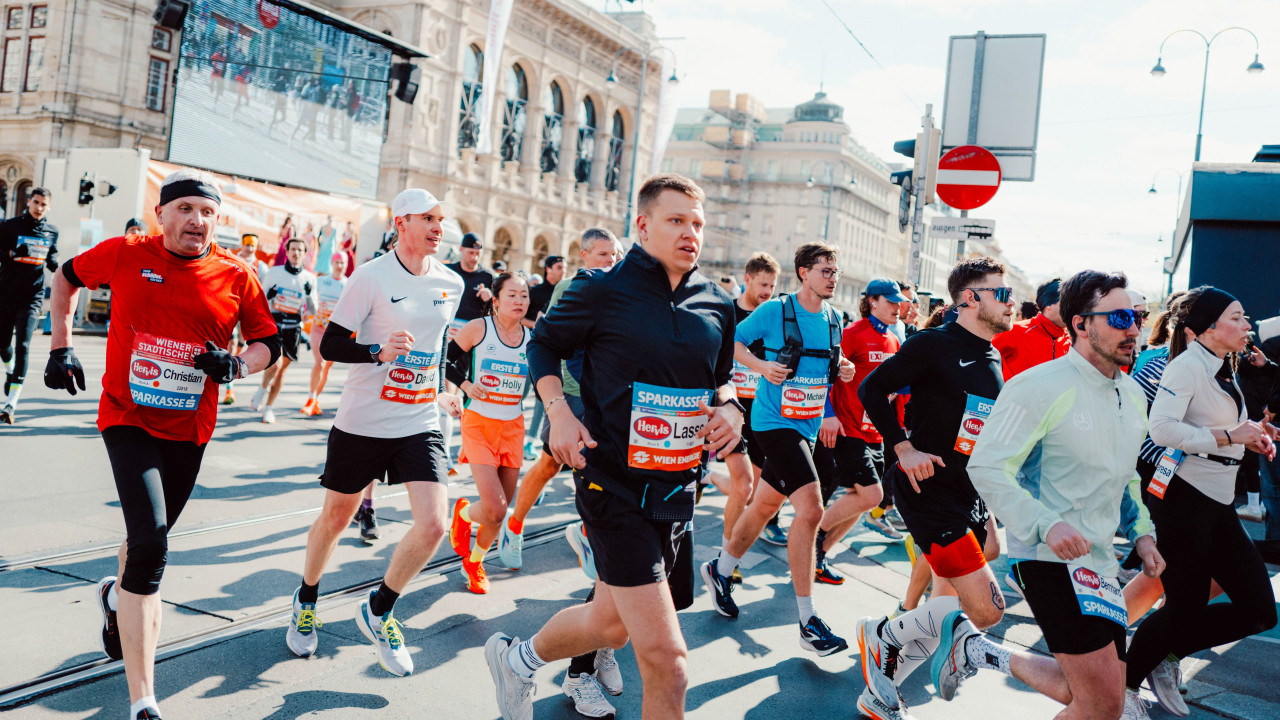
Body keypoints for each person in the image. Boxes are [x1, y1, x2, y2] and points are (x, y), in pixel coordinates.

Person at [484, 174, 742, 719]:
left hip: (677, 491)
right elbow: (545, 346)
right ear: (643, 226)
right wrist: (558, 414)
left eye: (697, 223)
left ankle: (517, 661)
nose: (690, 233)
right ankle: (522, 663)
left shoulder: (718, 302)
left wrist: (730, 408)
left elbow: (723, 380)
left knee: (609, 625)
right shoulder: (601, 289)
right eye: (676, 221)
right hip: (612, 485)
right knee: (669, 664)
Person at [45, 168, 279, 720]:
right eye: (186, 209)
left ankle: (113, 596)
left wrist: (237, 365)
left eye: (207, 212)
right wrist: (60, 347)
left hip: (190, 429)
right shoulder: (126, 254)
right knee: (151, 545)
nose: (197, 220)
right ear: (162, 214)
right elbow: (64, 277)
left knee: (145, 540)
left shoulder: (236, 275)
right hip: (126, 417)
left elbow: (269, 341)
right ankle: (143, 700)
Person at [951, 270, 1165, 719]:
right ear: (1080, 323)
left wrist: (1142, 532)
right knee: (1102, 705)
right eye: (1122, 317)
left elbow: (1126, 475)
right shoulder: (1038, 385)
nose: (1134, 329)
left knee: (1093, 697)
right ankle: (978, 650)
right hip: (1049, 559)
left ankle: (978, 651)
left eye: (1139, 317)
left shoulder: (1131, 392)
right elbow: (986, 467)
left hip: (1102, 563)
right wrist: (1047, 523)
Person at [284, 188, 465, 677]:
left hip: (419, 420)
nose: (437, 227)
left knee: (433, 526)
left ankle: (380, 607)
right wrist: (377, 352)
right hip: (363, 421)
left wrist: (447, 388)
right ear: (401, 222)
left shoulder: (450, 281)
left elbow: (440, 346)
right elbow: (332, 346)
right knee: (337, 519)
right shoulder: (370, 277)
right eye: (428, 218)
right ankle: (306, 598)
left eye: (440, 219)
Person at [852, 257, 1011, 720]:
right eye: (999, 293)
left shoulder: (992, 352)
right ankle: (884, 633)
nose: (1009, 302)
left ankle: (882, 688)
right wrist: (903, 449)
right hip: (929, 491)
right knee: (987, 612)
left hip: (970, 491)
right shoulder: (933, 345)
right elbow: (870, 390)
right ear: (969, 299)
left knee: (959, 586)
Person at [1126, 286, 1278, 717]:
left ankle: (1164, 655)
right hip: (1186, 498)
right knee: (1185, 608)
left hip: (1218, 500)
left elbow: (1216, 425)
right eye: (1238, 317)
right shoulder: (1187, 366)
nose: (1247, 325)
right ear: (1209, 327)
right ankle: (1123, 685)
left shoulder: (1220, 364)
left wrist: (1253, 436)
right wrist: (1232, 436)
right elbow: (1164, 431)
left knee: (1259, 612)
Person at [701, 242, 856, 657]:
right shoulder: (776, 311)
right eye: (825, 270)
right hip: (773, 422)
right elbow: (730, 344)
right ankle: (807, 620)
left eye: (835, 271)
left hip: (805, 425)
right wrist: (760, 366)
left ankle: (721, 569)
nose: (832, 277)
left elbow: (829, 368)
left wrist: (844, 369)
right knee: (811, 509)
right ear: (803, 272)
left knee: (765, 505)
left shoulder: (833, 318)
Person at [495, 229, 625, 718]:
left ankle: (603, 634)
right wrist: (562, 408)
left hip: (609, 406)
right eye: (602, 254)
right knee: (564, 465)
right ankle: (524, 526)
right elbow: (554, 348)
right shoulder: (579, 288)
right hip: (573, 397)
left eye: (616, 253)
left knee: (563, 471)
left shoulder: (622, 290)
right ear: (584, 256)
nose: (611, 261)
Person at [814, 278, 909, 586]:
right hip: (847, 427)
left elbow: (891, 388)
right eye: (892, 302)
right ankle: (812, 538)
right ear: (873, 302)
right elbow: (826, 373)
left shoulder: (894, 340)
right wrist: (827, 415)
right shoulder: (853, 333)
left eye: (899, 302)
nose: (898, 307)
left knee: (863, 499)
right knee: (872, 494)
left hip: (875, 433)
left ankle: (817, 558)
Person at [445, 273, 532, 594]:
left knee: (500, 509)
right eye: (512, 295)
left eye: (524, 296)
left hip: (513, 427)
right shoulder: (479, 329)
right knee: (494, 509)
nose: (520, 301)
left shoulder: (532, 338)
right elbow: (444, 361)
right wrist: (466, 385)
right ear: (495, 301)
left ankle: (473, 559)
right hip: (479, 423)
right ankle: (467, 526)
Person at [710, 253, 780, 577]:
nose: (768, 291)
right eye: (763, 284)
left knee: (750, 489)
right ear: (748, 279)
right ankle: (727, 558)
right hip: (732, 407)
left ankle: (709, 478)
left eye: (773, 285)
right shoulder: (729, 312)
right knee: (744, 486)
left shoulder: (775, 317)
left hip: (763, 412)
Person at [0, 187, 59, 424]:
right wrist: (12, 253)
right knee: (3, 345)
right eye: (36, 202)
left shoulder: (52, 231)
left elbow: (52, 258)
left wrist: (60, 267)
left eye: (44, 204)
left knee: (23, 344)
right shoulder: (9, 226)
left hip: (32, 298)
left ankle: (10, 405)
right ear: (28, 202)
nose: (39, 207)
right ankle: (10, 369)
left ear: (49, 207)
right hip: (5, 294)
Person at [252, 237, 317, 423]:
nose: (296, 253)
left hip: (294, 328)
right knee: (275, 364)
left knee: (281, 371)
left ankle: (269, 407)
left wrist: (309, 294)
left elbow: (313, 310)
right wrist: (270, 296)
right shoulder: (275, 272)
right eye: (293, 249)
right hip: (275, 324)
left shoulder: (309, 278)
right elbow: (261, 298)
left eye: (300, 250)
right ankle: (262, 390)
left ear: (305, 254)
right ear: (287, 252)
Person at [444, 233, 496, 462]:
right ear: (462, 250)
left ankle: (465, 445)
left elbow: (497, 307)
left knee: (466, 392)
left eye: (478, 253)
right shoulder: (450, 271)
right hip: (449, 335)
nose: (474, 257)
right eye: (470, 252)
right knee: (449, 389)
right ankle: (443, 449)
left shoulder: (487, 276)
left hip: (472, 340)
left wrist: (489, 296)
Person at [522, 254, 566, 458]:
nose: (562, 271)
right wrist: (540, 325)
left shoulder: (565, 292)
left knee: (542, 399)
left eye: (563, 268)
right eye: (558, 267)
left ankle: (530, 441)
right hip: (527, 349)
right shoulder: (536, 292)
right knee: (520, 395)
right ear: (548, 269)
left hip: (550, 353)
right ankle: (512, 432)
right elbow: (520, 318)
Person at [992, 278, 1070, 381]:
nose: (1074, 308)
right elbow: (980, 360)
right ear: (1049, 305)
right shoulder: (1015, 331)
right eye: (1068, 302)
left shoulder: (1073, 343)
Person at [303, 253, 348, 417]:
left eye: (342, 263)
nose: (340, 266)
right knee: (320, 363)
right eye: (337, 262)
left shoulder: (348, 284)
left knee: (327, 367)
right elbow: (309, 301)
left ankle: (316, 399)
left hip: (335, 332)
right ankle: (311, 398)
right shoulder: (321, 281)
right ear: (332, 263)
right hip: (318, 328)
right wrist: (305, 309)